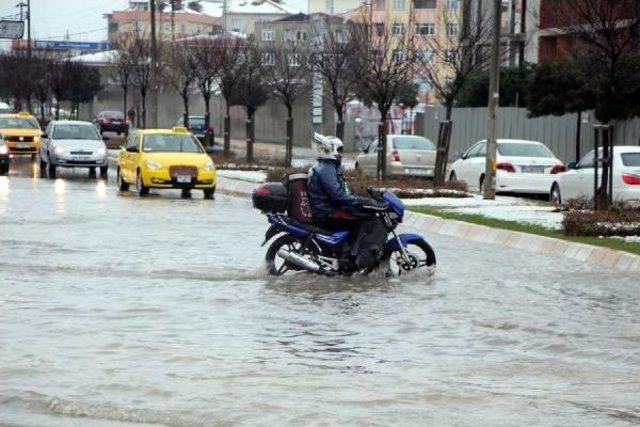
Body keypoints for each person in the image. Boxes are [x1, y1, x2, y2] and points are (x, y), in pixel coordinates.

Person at [307, 133, 371, 232]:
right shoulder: (326, 169)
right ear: (331, 150)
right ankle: (352, 247)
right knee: (363, 220)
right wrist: (358, 202)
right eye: (339, 150)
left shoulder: (327, 166)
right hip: (327, 213)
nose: (341, 154)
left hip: (326, 209)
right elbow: (337, 195)